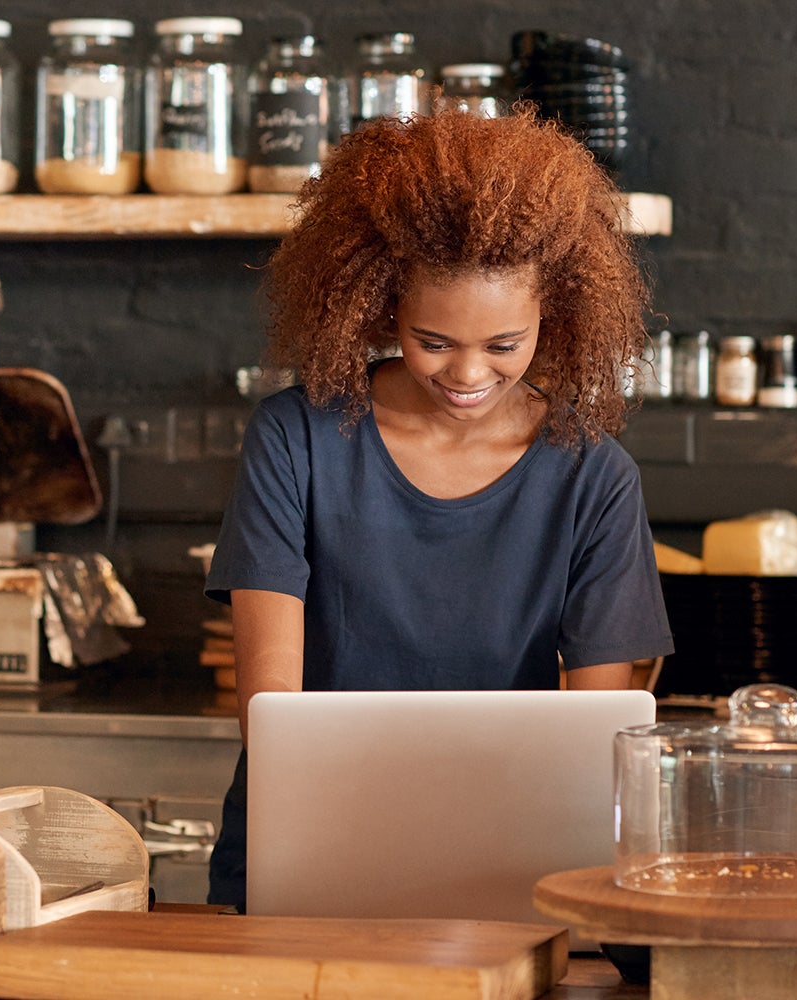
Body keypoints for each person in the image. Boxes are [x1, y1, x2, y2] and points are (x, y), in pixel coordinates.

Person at [203, 107, 675, 909]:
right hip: (300, 859)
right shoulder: (296, 439)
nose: (467, 374)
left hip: (510, 870)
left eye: (503, 345)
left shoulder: (595, 479)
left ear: (552, 317)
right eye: (433, 341)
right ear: (383, 306)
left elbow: (597, 749)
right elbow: (271, 712)